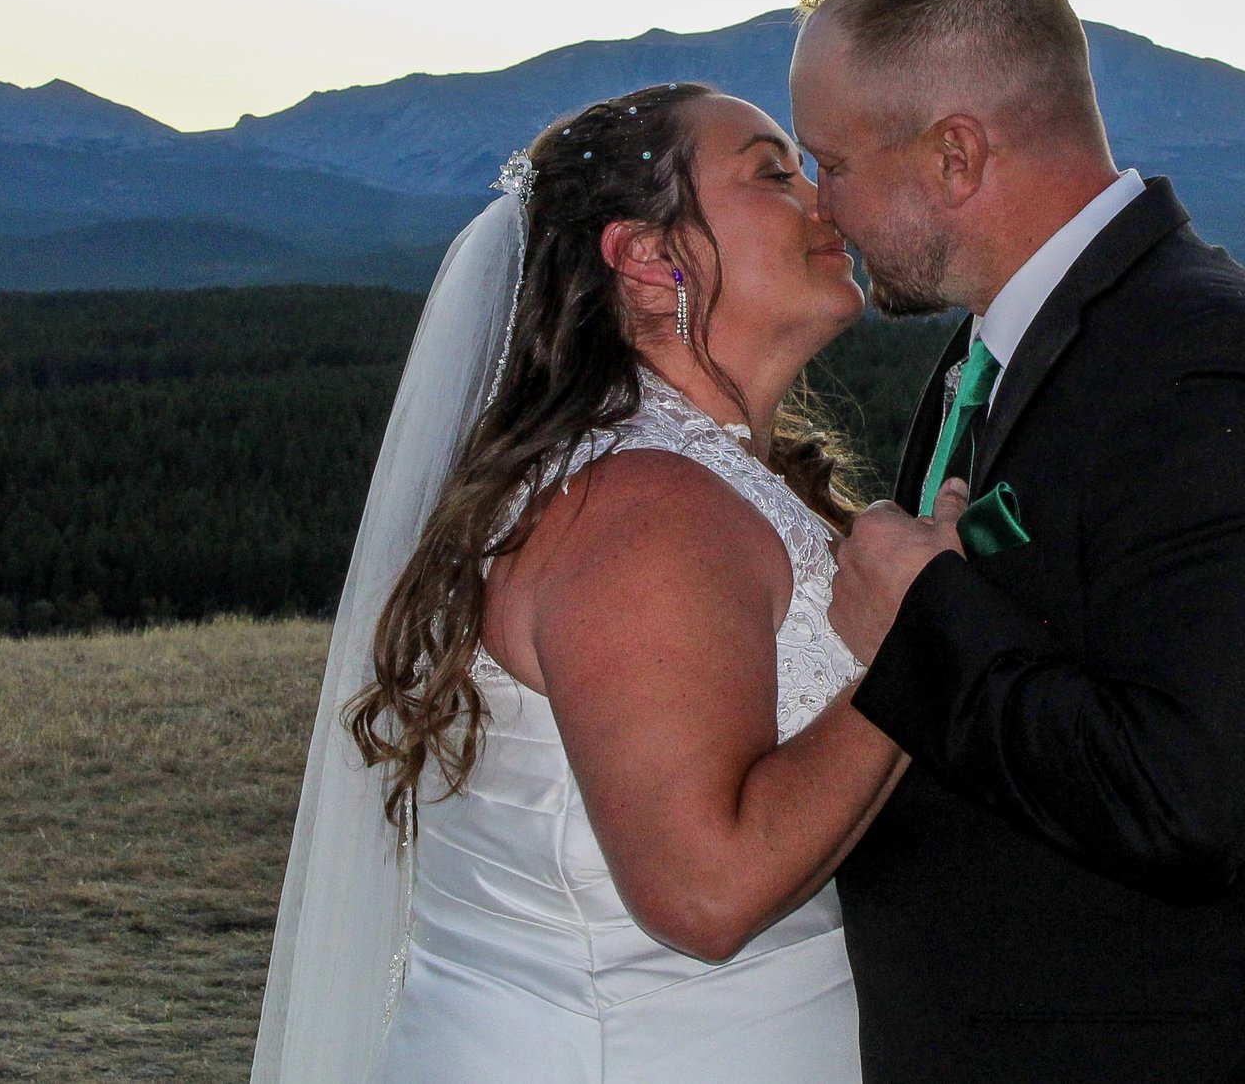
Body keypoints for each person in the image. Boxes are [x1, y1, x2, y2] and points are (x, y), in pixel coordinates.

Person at [253, 81, 931, 1084]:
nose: (822, 198)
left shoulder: (678, 477)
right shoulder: (643, 507)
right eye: (770, 172)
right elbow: (704, 893)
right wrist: (914, 644)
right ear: (648, 257)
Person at [790, 0, 1245, 1084]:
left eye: (832, 162)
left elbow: (1180, 797)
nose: (820, 209)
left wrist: (925, 624)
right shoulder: (985, 351)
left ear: (955, 154)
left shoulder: (1208, 362)